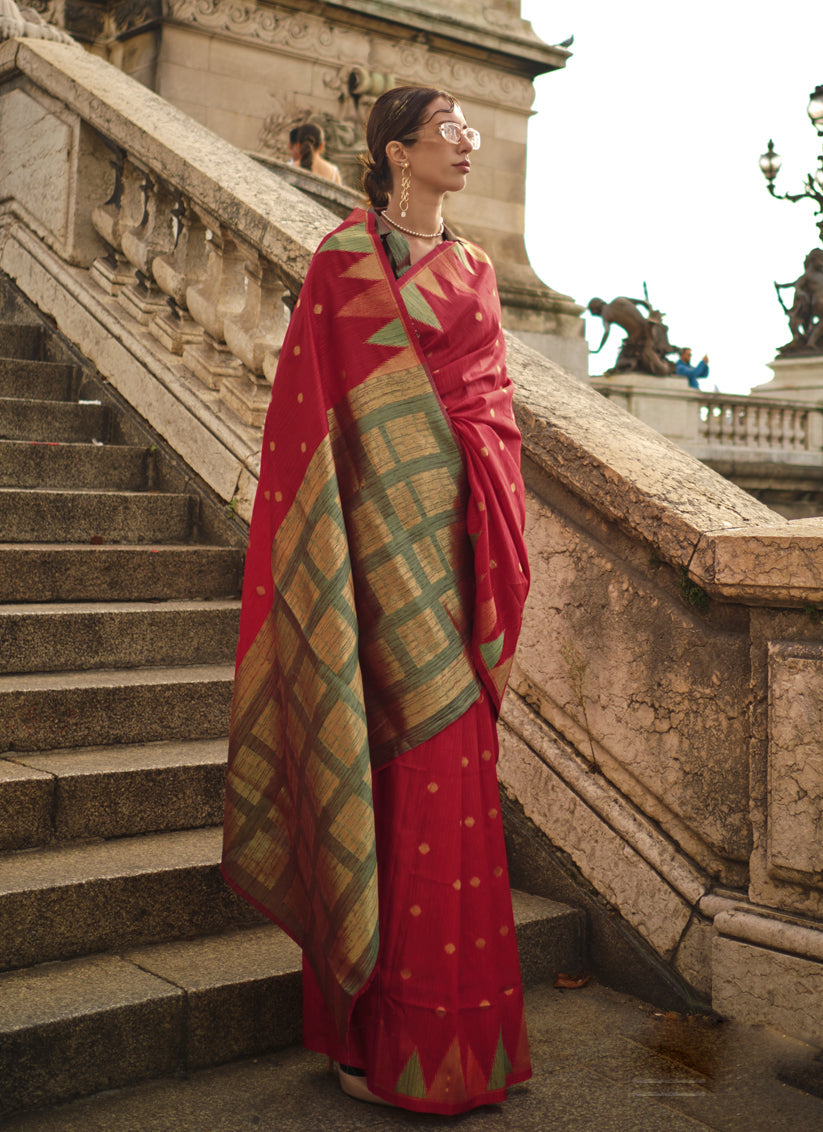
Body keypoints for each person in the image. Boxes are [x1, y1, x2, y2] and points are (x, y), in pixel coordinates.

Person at [221, 85, 531, 1115]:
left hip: (452, 551)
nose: (467, 143)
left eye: (470, 129)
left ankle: (453, 1047)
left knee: (449, 777)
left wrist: (466, 465)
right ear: (397, 150)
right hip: (361, 557)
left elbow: (493, 403)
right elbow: (307, 421)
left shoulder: (476, 270)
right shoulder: (343, 263)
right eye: (448, 129)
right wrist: (342, 543)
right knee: (377, 771)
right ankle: (372, 1035)